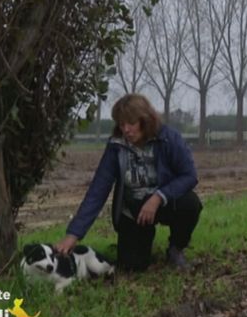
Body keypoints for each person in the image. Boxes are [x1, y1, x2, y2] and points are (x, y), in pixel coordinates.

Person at [55, 94, 202, 271]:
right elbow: (98, 189)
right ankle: (142, 240)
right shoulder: (116, 146)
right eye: (121, 124)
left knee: (190, 204)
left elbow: (189, 175)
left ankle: (176, 249)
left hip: (163, 202)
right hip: (133, 211)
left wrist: (158, 197)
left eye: (131, 123)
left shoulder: (169, 138)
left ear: (145, 120)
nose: (126, 129)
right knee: (131, 267)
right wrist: (73, 234)